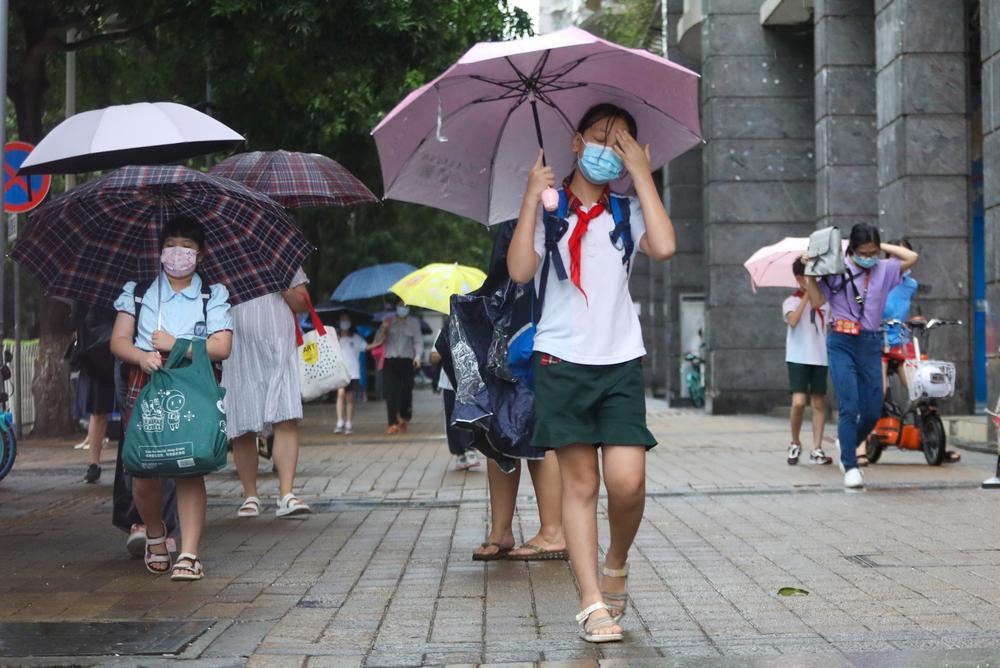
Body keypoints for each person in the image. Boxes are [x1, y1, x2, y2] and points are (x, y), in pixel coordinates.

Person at [508, 103, 674, 643]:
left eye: (623, 141)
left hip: (620, 361)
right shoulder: (549, 208)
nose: (611, 149)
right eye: (603, 137)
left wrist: (645, 175)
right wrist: (532, 199)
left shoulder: (627, 209)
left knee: (628, 484)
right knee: (580, 486)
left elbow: (666, 247)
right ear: (576, 142)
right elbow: (519, 271)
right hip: (560, 361)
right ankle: (591, 603)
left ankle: (617, 560)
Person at [111, 216, 233, 580]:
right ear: (160, 251)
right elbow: (118, 341)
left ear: (201, 254)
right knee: (144, 469)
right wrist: (141, 355)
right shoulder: (138, 292)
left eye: (188, 247)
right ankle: (154, 533)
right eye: (172, 245)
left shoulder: (214, 294)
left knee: (189, 466)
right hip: (146, 384)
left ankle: (190, 554)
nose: (178, 253)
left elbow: (221, 346)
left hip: (193, 386)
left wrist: (176, 346)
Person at [802, 223, 918, 489]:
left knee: (873, 407)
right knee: (850, 405)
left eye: (873, 252)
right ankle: (851, 467)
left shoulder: (885, 268)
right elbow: (818, 302)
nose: (869, 257)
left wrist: (881, 247)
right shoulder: (835, 268)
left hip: (870, 341)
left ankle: (849, 442)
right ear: (851, 250)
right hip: (841, 342)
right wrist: (811, 273)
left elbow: (911, 258)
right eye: (864, 252)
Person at [223, 267, 312, 519]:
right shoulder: (220, 259)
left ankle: (287, 494)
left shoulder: (277, 256)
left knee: (286, 416)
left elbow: (303, 302)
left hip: (279, 345)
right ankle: (250, 495)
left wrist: (281, 283)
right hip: (238, 348)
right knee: (243, 424)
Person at [876, 240, 960, 464]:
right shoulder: (878, 281)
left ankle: (934, 442)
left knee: (920, 388)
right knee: (880, 389)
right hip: (878, 342)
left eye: (904, 255)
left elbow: (905, 309)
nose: (900, 261)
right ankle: (864, 438)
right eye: (895, 256)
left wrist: (916, 320)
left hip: (902, 343)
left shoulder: (910, 284)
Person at [784, 259, 832, 466]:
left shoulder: (826, 300)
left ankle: (817, 448)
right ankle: (795, 442)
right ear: (798, 279)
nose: (814, 280)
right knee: (799, 402)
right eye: (809, 276)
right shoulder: (790, 301)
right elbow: (793, 321)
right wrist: (806, 294)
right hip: (798, 357)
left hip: (820, 356)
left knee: (819, 402)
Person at [367, 300, 422, 434]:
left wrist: (418, 356)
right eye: (400, 306)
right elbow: (377, 341)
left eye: (405, 306)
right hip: (390, 361)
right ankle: (392, 423)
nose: (402, 308)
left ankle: (404, 417)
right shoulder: (388, 321)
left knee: (406, 392)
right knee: (391, 393)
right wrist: (384, 328)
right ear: (396, 307)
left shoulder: (414, 323)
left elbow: (418, 341)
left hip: (407, 361)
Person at [429, 340, 481, 470]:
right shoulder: (443, 333)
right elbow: (433, 357)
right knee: (451, 418)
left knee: (470, 415)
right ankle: (459, 453)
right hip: (448, 383)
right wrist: (443, 350)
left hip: (469, 382)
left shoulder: (473, 327)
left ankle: (470, 449)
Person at [335, 314, 367, 435]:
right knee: (341, 394)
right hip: (340, 372)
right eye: (342, 320)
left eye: (347, 320)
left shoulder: (356, 338)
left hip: (353, 373)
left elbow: (366, 347)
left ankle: (348, 422)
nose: (345, 322)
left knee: (350, 398)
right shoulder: (335, 337)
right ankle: (339, 421)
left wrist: (381, 336)